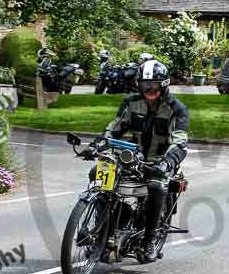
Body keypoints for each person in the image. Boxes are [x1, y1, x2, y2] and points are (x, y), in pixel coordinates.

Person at [81, 60, 189, 262]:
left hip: (161, 162)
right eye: (145, 85)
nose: (149, 89)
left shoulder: (177, 109)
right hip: (131, 158)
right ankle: (103, 232)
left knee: (156, 186)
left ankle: (149, 241)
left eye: (154, 85)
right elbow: (114, 128)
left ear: (164, 85)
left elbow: (180, 143)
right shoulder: (131, 103)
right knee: (96, 172)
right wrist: (96, 145)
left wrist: (165, 164)